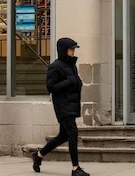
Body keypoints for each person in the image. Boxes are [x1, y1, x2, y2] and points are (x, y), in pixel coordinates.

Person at [31, 37, 90, 176]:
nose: (73, 52)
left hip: (71, 104)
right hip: (63, 106)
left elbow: (74, 82)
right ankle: (75, 168)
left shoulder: (71, 65)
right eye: (71, 49)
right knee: (73, 133)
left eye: (74, 49)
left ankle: (39, 155)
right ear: (64, 50)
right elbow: (50, 87)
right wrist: (69, 82)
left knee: (63, 136)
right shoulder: (55, 66)